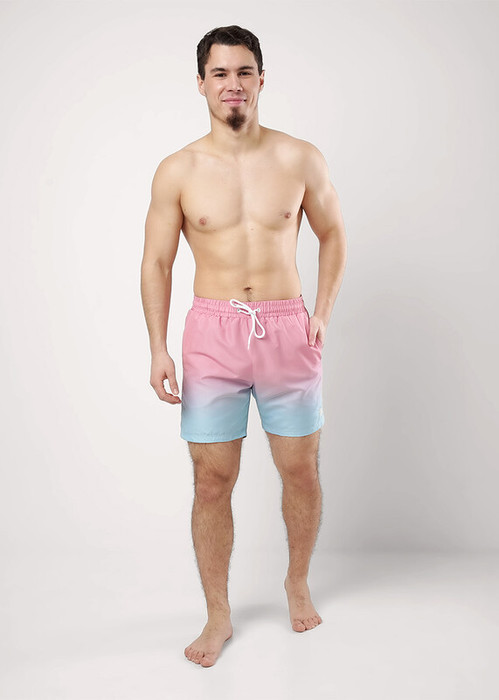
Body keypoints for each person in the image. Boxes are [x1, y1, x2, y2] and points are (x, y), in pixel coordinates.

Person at [140, 25, 347, 668]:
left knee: (300, 469)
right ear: (202, 83)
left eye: (244, 72)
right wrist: (158, 347)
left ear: (261, 80)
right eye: (221, 73)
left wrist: (321, 313)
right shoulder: (178, 169)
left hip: (287, 328)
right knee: (211, 480)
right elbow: (156, 262)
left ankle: (297, 582)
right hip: (212, 333)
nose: (233, 84)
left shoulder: (299, 158)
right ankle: (218, 613)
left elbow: (334, 233)